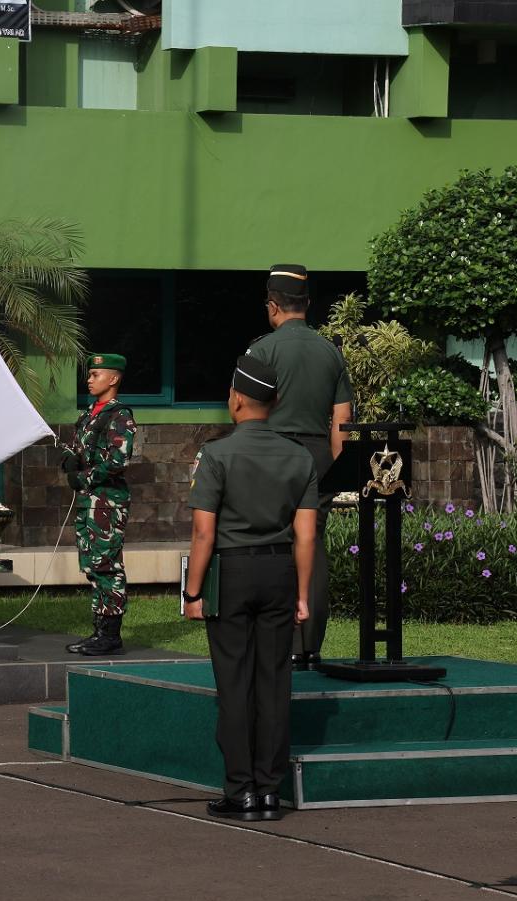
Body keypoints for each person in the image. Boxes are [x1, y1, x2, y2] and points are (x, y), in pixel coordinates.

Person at [183, 355, 318, 822]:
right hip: (280, 571)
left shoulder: (216, 455)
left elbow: (203, 533)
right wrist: (302, 595)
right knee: (274, 683)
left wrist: (192, 593)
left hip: (233, 573)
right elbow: (306, 536)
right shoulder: (299, 456)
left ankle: (240, 790)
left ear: (237, 399)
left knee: (234, 682)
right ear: (274, 403)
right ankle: (269, 791)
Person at [246, 264, 353, 671]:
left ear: (273, 306)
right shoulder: (330, 352)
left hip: (271, 453)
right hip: (318, 457)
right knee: (312, 544)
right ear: (306, 303)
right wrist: (338, 471)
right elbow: (342, 422)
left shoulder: (261, 351)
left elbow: (245, 410)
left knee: (273, 545)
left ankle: (280, 640)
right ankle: (310, 644)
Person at [58, 353, 137, 657]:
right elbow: (77, 447)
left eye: (95, 374)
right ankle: (99, 631)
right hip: (89, 501)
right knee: (93, 566)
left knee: (107, 565)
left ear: (113, 378)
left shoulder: (119, 415)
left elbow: (119, 460)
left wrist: (84, 477)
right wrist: (69, 458)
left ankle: (110, 635)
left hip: (106, 501)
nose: (89, 380)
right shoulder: (90, 413)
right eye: (90, 374)